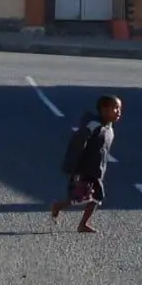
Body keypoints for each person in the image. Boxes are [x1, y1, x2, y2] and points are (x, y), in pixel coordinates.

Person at [51, 94, 123, 233]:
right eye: (115, 108)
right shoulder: (94, 125)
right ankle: (58, 206)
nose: (118, 111)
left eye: (119, 108)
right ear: (103, 109)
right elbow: (78, 143)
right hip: (85, 168)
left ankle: (82, 223)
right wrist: (73, 166)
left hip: (97, 169)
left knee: (95, 197)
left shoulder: (109, 128)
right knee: (81, 196)